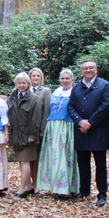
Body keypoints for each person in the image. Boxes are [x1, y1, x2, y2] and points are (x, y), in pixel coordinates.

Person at [68, 59, 109, 207]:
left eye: (91, 68)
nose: (88, 70)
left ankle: (102, 194)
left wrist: (90, 123)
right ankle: (84, 191)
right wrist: (80, 122)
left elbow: (105, 107)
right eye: (85, 68)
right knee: (83, 164)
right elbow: (71, 107)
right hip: (81, 131)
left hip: (98, 131)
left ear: (96, 69)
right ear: (81, 71)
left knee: (100, 165)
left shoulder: (104, 85)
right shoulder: (76, 88)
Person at [36, 69, 78, 197]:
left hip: (67, 126)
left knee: (65, 156)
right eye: (63, 78)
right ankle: (55, 186)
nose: (65, 81)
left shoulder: (74, 92)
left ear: (72, 80)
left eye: (67, 78)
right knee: (54, 157)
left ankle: (67, 188)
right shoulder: (56, 92)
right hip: (53, 126)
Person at [7, 72, 42, 198]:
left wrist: (32, 134)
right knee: (21, 162)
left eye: (24, 83)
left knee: (25, 161)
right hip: (16, 135)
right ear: (15, 83)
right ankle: (28, 186)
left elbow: (36, 118)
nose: (21, 85)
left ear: (28, 84)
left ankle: (22, 189)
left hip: (28, 135)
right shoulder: (11, 98)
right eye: (19, 83)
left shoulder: (34, 99)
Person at [29, 67, 51, 190]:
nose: (36, 78)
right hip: (27, 130)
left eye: (38, 76)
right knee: (28, 158)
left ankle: (37, 183)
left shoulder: (46, 91)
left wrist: (43, 130)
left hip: (39, 130)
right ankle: (30, 182)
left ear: (41, 78)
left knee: (37, 157)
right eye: (34, 76)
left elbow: (47, 111)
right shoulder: (25, 90)